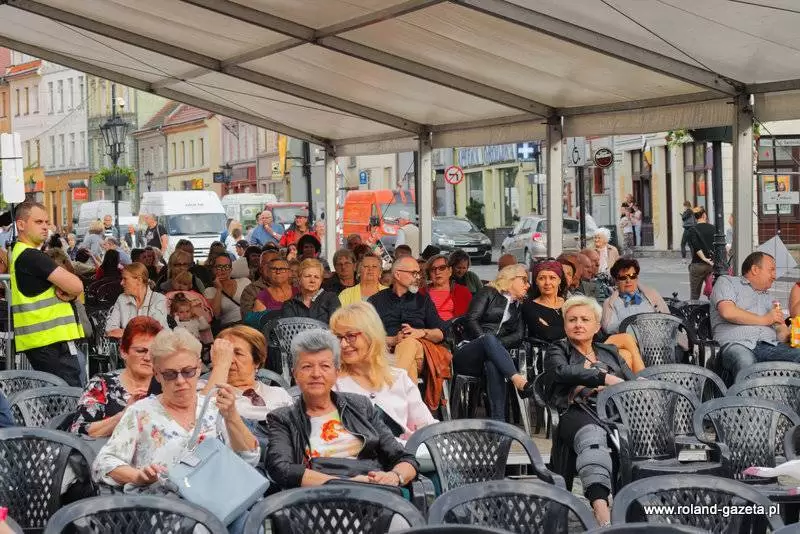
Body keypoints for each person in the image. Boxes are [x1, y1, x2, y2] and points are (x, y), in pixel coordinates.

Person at [92, 328, 260, 531]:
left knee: (254, 526)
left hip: (220, 503)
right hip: (166, 512)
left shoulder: (213, 406)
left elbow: (250, 457)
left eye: (188, 372)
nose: (180, 381)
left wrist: (232, 416)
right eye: (170, 374)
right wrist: (137, 476)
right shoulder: (141, 412)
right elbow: (103, 463)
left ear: (199, 367)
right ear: (157, 374)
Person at [265, 329, 419, 489]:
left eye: (325, 366)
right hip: (318, 498)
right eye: (307, 366)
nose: (316, 374)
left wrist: (394, 477)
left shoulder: (361, 406)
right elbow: (281, 469)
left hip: (375, 492)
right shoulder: (283, 418)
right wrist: (349, 483)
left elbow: (404, 458)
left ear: (336, 372)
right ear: (295, 374)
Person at [544, 296, 634, 526]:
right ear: (565, 325)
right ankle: (601, 512)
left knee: (638, 437)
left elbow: (631, 382)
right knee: (592, 437)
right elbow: (562, 372)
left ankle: (636, 508)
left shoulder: (609, 351)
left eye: (585, 319)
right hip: (575, 411)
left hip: (613, 412)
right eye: (572, 320)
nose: (578, 324)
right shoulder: (558, 349)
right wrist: (603, 378)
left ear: (596, 326)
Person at [332, 302, 436, 437]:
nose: (343, 344)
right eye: (338, 337)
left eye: (350, 336)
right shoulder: (333, 384)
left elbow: (427, 427)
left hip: (406, 449)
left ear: (371, 335)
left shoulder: (398, 378)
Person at [9, 201, 85, 386]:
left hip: (43, 341)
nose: (45, 227)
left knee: (58, 396)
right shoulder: (32, 257)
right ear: (21, 224)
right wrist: (71, 292)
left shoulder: (20, 254)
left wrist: (70, 292)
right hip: (51, 342)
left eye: (46, 222)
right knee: (68, 396)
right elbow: (77, 286)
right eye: (38, 222)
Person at [456, 263, 534, 420]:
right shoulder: (488, 292)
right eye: (524, 280)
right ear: (511, 278)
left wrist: (494, 347)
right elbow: (471, 319)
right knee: (488, 339)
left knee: (493, 362)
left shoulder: (518, 306)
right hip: (469, 352)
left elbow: (519, 335)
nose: (528, 285)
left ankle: (499, 423)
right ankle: (517, 379)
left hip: (495, 357)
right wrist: (487, 342)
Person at [71, 317, 163, 436]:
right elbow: (78, 430)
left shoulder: (168, 385)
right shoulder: (102, 384)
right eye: (141, 351)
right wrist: (124, 415)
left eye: (154, 352)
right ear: (123, 352)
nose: (148, 358)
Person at [712, 252, 800, 368]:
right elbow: (727, 312)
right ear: (755, 270)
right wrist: (766, 319)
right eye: (771, 270)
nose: (774, 276)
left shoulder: (770, 299)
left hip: (770, 346)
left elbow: (781, 332)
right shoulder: (727, 282)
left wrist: (788, 335)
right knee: (745, 361)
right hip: (737, 343)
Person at [368, 256, 448, 383]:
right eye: (414, 273)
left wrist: (421, 332)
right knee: (410, 366)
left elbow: (441, 333)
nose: (418, 277)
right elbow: (366, 336)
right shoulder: (376, 301)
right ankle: (402, 393)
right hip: (386, 353)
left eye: (419, 273)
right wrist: (392, 340)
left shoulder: (423, 301)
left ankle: (392, 386)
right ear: (397, 275)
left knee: (408, 342)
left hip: (419, 352)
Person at [200, 326, 293, 423]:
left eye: (238, 353)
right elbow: (202, 420)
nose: (230, 360)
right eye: (224, 354)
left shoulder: (279, 394)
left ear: (256, 361)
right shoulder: (202, 390)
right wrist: (220, 366)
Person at [601, 258, 669, 334]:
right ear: (616, 280)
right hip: (628, 340)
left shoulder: (652, 294)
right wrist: (634, 325)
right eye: (623, 277)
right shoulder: (610, 303)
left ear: (637, 278)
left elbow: (668, 319)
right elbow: (609, 328)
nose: (628, 281)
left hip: (657, 337)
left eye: (632, 276)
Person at [106, 263, 169, 338]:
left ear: (139, 280)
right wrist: (140, 334)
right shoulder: (122, 298)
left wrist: (125, 333)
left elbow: (156, 333)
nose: (121, 283)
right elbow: (110, 330)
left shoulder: (159, 299)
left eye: (125, 279)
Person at [281, 259, 341, 323]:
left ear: (321, 280)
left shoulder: (331, 298)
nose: (312, 280)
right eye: (308, 276)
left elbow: (337, 325)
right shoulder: (290, 304)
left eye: (316, 277)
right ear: (299, 279)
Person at [523, 260, 566, 342]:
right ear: (536, 281)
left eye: (552, 278)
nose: (547, 282)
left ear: (559, 280)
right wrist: (571, 330)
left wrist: (551, 328)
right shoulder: (529, 306)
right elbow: (547, 334)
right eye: (541, 278)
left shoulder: (570, 303)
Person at [204, 254, 250, 332]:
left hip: (248, 325)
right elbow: (215, 314)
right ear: (213, 269)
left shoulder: (244, 282)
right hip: (229, 329)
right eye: (219, 266)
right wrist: (219, 289)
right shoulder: (209, 291)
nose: (223, 270)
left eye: (227, 266)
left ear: (231, 269)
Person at [420, 253, 472, 322]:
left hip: (454, 327)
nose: (437, 272)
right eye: (433, 269)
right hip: (426, 328)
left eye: (442, 268)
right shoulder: (421, 292)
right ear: (429, 273)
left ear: (450, 271)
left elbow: (470, 318)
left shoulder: (462, 292)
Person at [686, 207, 715, 300]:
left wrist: (703, 258)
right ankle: (712, 308)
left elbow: (696, 246)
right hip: (711, 265)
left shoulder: (692, 230)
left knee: (694, 296)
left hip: (697, 265)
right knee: (713, 294)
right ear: (704, 215)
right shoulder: (713, 228)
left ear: (695, 217)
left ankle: (694, 308)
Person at [240, 249, 279, 317]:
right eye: (268, 263)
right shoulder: (250, 290)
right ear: (261, 269)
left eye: (277, 263)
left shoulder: (291, 285)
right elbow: (248, 318)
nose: (273, 266)